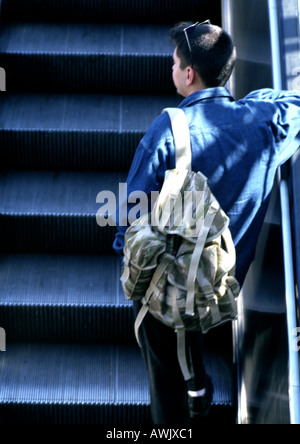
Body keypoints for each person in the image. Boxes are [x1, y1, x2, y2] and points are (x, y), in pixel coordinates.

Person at [113, 21, 300, 424]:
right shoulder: (264, 123)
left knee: (164, 362)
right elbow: (296, 105)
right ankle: (198, 389)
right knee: (192, 317)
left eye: (175, 61)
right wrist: (259, 98)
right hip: (222, 283)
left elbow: (129, 217)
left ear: (188, 73)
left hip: (172, 286)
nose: (173, 67)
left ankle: (181, 413)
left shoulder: (169, 130)